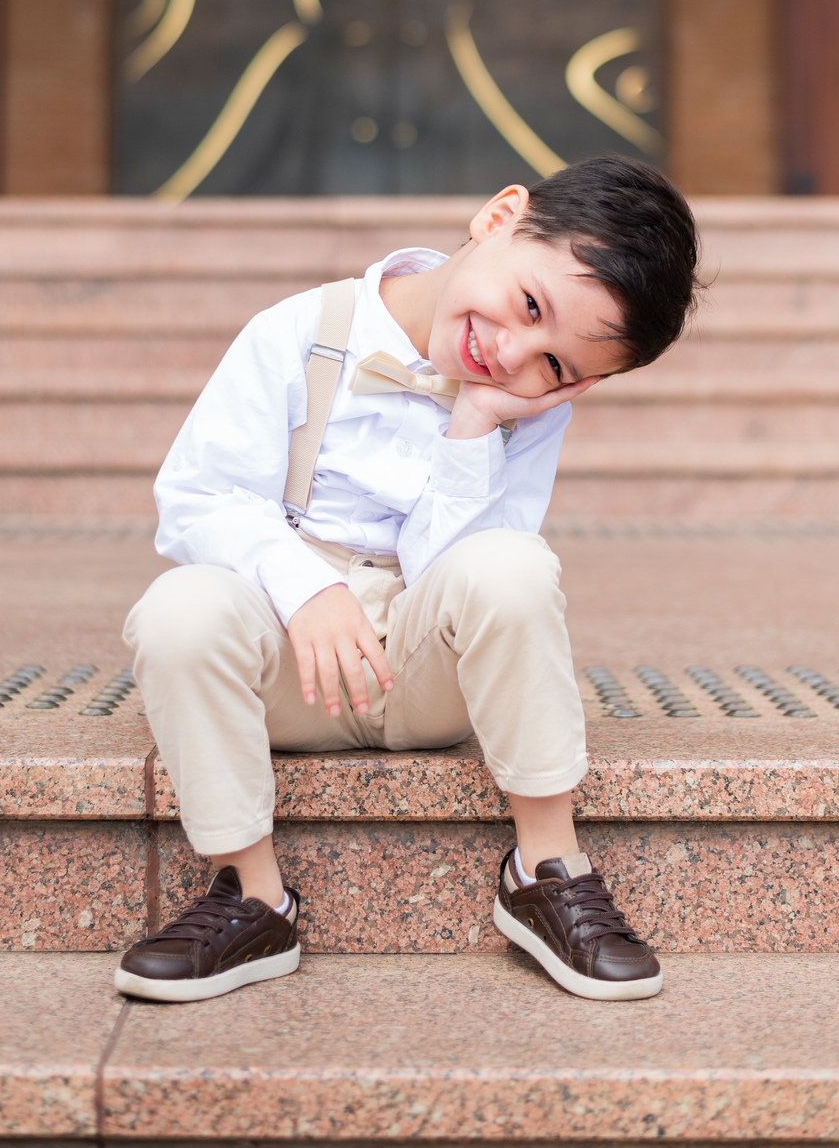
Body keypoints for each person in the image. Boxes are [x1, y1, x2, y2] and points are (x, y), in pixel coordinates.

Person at [117, 154, 699, 1004]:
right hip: (293, 667)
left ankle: (545, 865)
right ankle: (252, 896)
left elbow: (466, 574)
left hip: (427, 679)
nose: (510, 353)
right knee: (178, 610)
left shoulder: (520, 410)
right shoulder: (301, 329)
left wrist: (473, 426)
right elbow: (196, 499)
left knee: (514, 565)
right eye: (530, 306)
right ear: (500, 216)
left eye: (557, 365)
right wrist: (305, 587)